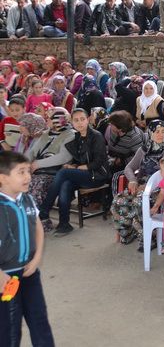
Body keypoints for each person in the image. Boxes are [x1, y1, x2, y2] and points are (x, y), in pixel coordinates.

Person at [0, 152, 55, 347]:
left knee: (39, 319)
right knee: (9, 328)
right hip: (5, 278)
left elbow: (37, 226)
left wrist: (37, 256)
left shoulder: (27, 199)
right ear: (3, 178)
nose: (28, 177)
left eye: (28, 171)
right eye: (21, 172)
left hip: (30, 271)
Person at [38, 109, 109, 236]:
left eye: (82, 119)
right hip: (84, 175)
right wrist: (73, 166)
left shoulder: (96, 136)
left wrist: (77, 168)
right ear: (72, 122)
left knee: (64, 173)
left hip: (97, 175)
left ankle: (44, 209)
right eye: (76, 120)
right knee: (66, 184)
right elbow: (78, 159)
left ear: (88, 119)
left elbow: (98, 162)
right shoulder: (76, 137)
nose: (80, 123)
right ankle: (64, 224)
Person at [110, 120, 164, 246]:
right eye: (157, 131)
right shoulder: (144, 149)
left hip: (159, 189)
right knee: (118, 201)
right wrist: (133, 180)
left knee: (139, 202)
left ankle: (148, 238)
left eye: (163, 131)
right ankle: (128, 232)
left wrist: (148, 187)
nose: (160, 135)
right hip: (140, 185)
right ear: (150, 133)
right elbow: (129, 168)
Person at [25, 108, 75, 208]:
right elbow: (32, 152)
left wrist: (37, 164)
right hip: (38, 171)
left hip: (56, 172)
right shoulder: (45, 134)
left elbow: (63, 157)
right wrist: (23, 165)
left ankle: (37, 217)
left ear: (57, 120)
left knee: (38, 184)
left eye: (49, 118)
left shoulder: (71, 135)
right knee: (21, 183)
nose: (46, 120)